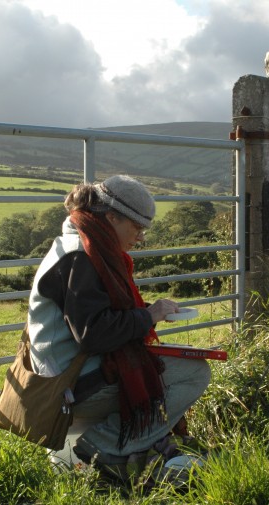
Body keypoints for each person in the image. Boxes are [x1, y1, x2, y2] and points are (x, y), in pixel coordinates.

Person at [28, 175, 211, 474]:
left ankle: (129, 445)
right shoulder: (82, 258)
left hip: (66, 371)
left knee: (169, 363)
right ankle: (104, 445)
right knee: (195, 372)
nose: (140, 238)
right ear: (111, 217)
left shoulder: (82, 245)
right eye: (137, 227)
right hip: (68, 384)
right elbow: (94, 334)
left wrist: (146, 314)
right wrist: (147, 316)